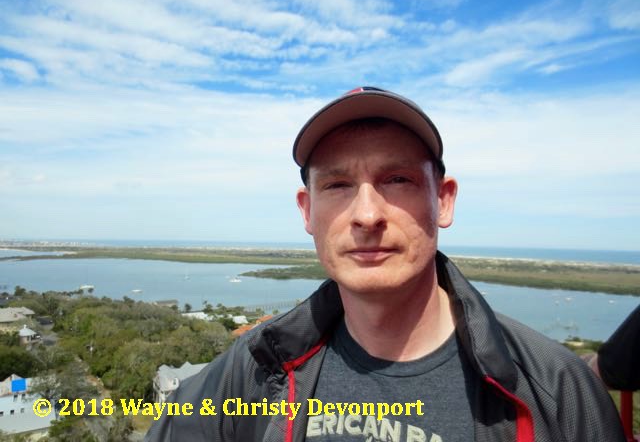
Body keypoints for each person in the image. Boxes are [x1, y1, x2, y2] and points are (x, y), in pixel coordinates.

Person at [146, 87, 625, 441]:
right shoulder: (257, 368)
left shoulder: (554, 390)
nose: (368, 215)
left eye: (396, 180)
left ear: (444, 201)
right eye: (336, 186)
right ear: (307, 212)